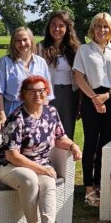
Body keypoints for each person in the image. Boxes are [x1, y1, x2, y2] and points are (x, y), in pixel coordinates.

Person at [0, 75, 82, 223]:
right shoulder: (17, 117)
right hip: (9, 166)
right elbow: (12, 155)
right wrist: (42, 169)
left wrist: (73, 145)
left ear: (47, 92)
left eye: (41, 91)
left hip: (39, 164)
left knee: (48, 182)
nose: (37, 95)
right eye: (32, 91)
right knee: (30, 179)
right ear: (24, 94)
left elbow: (60, 138)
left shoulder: (51, 112)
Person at [72, 13, 111, 207]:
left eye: (105, 26)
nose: (102, 30)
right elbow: (79, 77)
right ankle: (88, 187)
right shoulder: (84, 50)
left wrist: (108, 95)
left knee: (105, 142)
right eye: (98, 26)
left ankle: (100, 182)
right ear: (92, 28)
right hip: (91, 98)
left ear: (110, 29)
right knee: (90, 142)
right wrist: (95, 98)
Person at [0, 26, 53, 131]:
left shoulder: (41, 62)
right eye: (18, 41)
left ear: (31, 41)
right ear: (13, 43)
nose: (22, 43)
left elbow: (47, 92)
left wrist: (43, 113)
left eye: (25, 40)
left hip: (36, 111)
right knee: (13, 140)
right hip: (13, 111)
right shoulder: (4, 62)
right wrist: (1, 116)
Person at [37, 11, 80, 139]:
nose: (56, 29)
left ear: (67, 28)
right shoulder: (40, 47)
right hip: (48, 93)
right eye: (53, 25)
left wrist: (81, 101)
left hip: (70, 93)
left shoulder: (75, 49)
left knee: (67, 131)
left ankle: (66, 153)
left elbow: (81, 76)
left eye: (61, 26)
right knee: (47, 129)